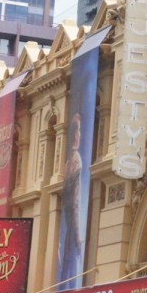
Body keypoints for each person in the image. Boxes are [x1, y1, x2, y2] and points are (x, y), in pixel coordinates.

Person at [59, 113, 84, 283]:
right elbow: (74, 203)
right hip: (71, 233)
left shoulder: (68, 162)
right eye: (78, 131)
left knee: (66, 273)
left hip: (68, 231)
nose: (79, 135)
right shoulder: (76, 161)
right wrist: (77, 236)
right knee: (72, 276)